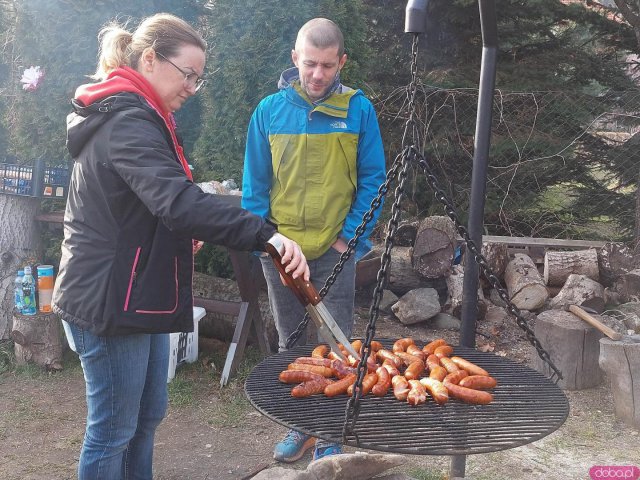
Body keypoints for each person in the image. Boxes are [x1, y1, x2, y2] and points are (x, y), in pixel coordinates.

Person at [51, 13, 309, 480]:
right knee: (112, 431)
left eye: (199, 77)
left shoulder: (144, 115)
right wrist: (263, 232)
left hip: (136, 295)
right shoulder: (125, 119)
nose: (193, 87)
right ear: (150, 58)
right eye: (187, 73)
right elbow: (175, 202)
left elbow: (148, 207)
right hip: (109, 302)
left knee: (146, 418)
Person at [242, 18, 386, 462]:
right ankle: (301, 425)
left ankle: (330, 434)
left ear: (341, 61)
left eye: (327, 65)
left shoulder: (358, 109)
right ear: (295, 60)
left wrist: (349, 242)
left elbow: (374, 181)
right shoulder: (268, 111)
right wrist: (267, 240)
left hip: (334, 253)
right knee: (293, 344)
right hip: (283, 252)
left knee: (338, 346)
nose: (317, 74)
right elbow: (255, 187)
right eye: (309, 64)